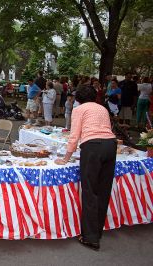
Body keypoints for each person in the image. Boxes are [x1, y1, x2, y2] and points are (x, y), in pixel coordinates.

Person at [55, 86, 116, 251]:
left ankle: (90, 238)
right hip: (111, 145)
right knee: (103, 190)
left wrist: (66, 158)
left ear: (78, 98)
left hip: (93, 146)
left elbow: (74, 135)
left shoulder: (79, 109)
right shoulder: (102, 108)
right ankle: (96, 232)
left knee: (90, 191)